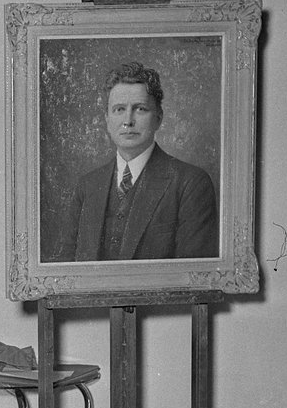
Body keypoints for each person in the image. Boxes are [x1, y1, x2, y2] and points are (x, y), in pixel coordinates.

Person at [55, 61, 219, 261]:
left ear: (158, 117)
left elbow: (192, 277)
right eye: (119, 109)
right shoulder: (88, 186)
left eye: (140, 109)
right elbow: (64, 271)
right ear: (107, 119)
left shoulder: (190, 183)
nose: (128, 120)